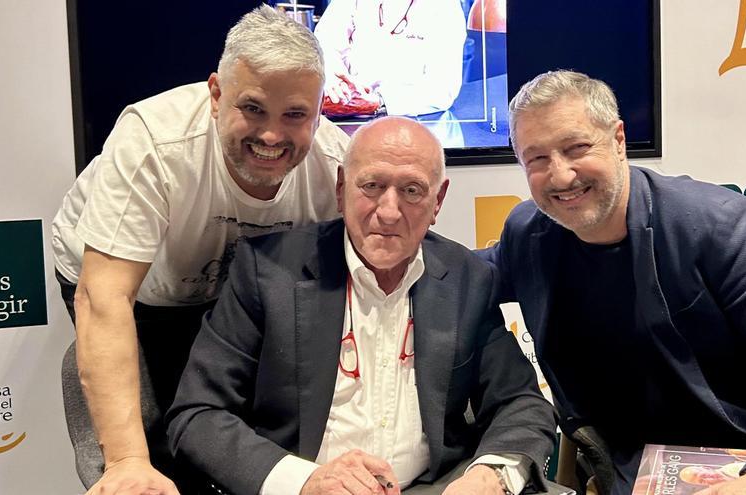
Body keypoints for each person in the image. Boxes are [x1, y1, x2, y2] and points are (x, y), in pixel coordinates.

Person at [479, 70, 746, 494]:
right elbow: (466, 281)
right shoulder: (529, 234)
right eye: (537, 158)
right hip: (639, 468)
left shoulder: (713, 223)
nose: (561, 175)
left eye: (577, 148)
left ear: (618, 140)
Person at [165, 116, 559, 495]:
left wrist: (488, 478)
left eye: (412, 190)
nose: (388, 212)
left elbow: (520, 402)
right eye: (371, 185)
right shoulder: (266, 272)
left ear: (437, 200)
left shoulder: (469, 280)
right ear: (341, 188)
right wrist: (302, 481)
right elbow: (198, 415)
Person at [51, 6, 350, 494]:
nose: (272, 136)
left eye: (295, 115)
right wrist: (128, 461)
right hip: (133, 288)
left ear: (319, 110)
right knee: (147, 433)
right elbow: (104, 298)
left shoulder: (336, 165)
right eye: (252, 108)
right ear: (216, 95)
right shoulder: (154, 140)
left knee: (233, 426)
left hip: (230, 291)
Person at [313, 0, 467, 117]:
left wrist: (378, 102)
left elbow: (442, 89)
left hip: (406, 121)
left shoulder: (446, 7)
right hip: (345, 111)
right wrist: (335, 83)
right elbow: (325, 42)